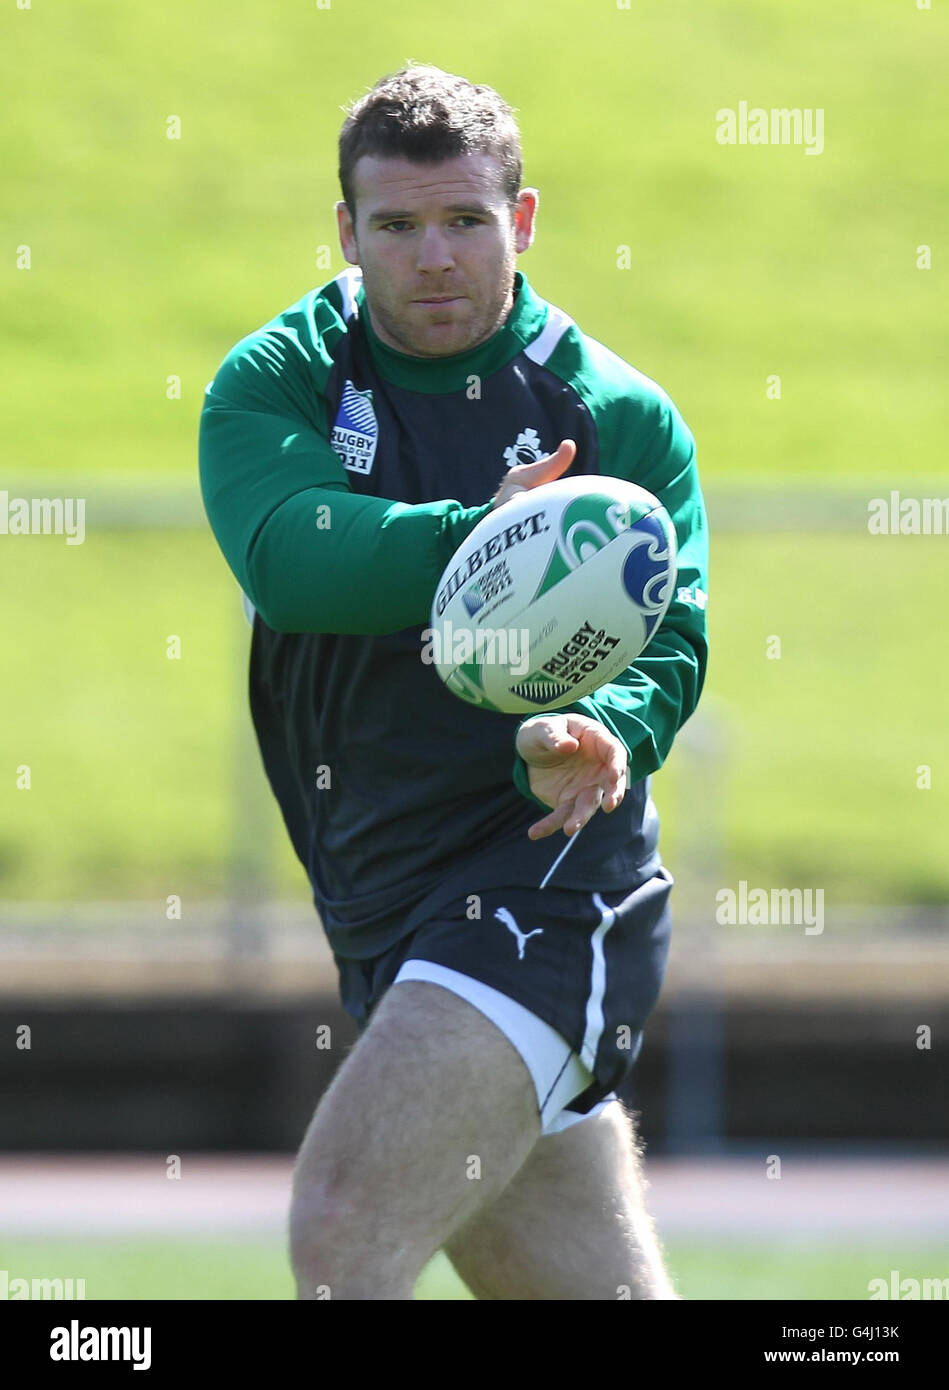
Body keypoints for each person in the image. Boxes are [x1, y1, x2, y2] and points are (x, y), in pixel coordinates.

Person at [199, 63, 708, 1301]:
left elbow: (674, 631)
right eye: (398, 225)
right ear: (346, 233)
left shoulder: (616, 417)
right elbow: (293, 562)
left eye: (466, 220)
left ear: (520, 221)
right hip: (379, 899)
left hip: (542, 888)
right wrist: (477, 536)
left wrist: (607, 727)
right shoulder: (279, 379)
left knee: (341, 1226)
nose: (434, 256)